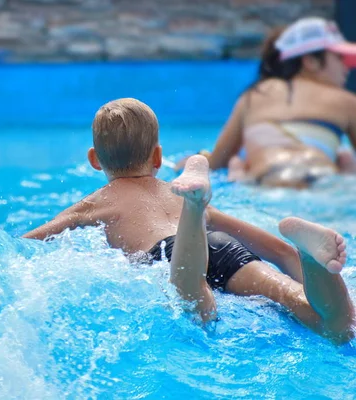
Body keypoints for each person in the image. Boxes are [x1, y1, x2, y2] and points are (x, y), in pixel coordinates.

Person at [24, 98, 355, 343]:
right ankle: (313, 260)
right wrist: (301, 264)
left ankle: (195, 210)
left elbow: (27, 243)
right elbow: (281, 252)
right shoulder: (173, 190)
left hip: (171, 255)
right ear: (157, 156)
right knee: (332, 325)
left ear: (94, 160)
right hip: (223, 246)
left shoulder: (97, 203)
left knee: (197, 306)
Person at [176, 17, 356, 188]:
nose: (347, 66)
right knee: (346, 159)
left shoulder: (253, 96)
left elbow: (218, 162)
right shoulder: (346, 101)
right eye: (340, 58)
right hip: (324, 181)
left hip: (268, 180)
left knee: (236, 164)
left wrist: (198, 158)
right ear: (310, 61)